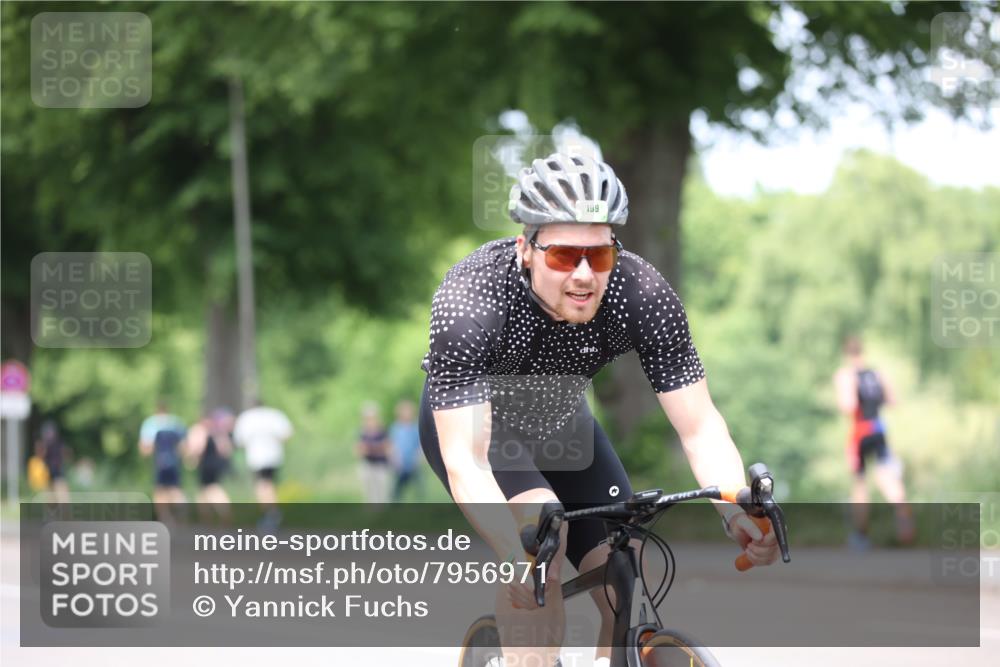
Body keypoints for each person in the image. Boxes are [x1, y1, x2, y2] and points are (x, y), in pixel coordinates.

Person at [419, 151, 780, 666]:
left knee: (626, 565)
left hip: (562, 419)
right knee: (541, 543)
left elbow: (700, 426)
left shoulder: (642, 293)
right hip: (481, 425)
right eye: (565, 256)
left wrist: (733, 510)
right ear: (526, 249)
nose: (585, 275)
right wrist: (513, 552)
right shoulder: (470, 299)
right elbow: (467, 461)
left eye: (601, 255)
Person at [834, 336, 914, 549]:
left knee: (860, 483)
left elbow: (848, 405)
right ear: (863, 352)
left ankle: (860, 536)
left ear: (846, 354)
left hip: (860, 432)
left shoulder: (846, 375)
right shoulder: (877, 374)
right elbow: (893, 401)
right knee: (886, 475)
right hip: (878, 429)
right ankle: (902, 510)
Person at [233, 400, 293, 532]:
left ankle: (270, 514)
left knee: (262, 486)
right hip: (274, 455)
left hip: (257, 457)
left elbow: (239, 441)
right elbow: (287, 434)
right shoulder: (274, 415)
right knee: (269, 484)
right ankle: (272, 512)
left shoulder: (247, 417)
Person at [139, 401, 188, 522]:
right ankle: (182, 514)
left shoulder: (151, 423)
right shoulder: (176, 422)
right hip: (174, 462)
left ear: (157, 411)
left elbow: (146, 448)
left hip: (160, 462)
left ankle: (165, 518)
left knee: (160, 491)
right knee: (175, 489)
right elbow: (183, 445)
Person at [185, 408, 234, 522]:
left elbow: (197, 448)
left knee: (212, 489)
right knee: (203, 491)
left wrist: (190, 458)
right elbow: (225, 450)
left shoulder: (200, 430)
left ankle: (224, 512)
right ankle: (206, 518)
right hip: (215, 464)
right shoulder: (215, 431)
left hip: (206, 464)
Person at [356, 402, 392, 504]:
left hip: (380, 465)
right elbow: (359, 450)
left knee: (382, 492)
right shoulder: (362, 432)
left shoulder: (382, 431)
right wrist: (375, 448)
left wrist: (372, 449)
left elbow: (387, 448)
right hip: (367, 465)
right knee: (369, 492)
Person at [389, 400, 424, 501]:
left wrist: (418, 457)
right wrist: (395, 458)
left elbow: (419, 444)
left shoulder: (415, 428)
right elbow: (392, 444)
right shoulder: (396, 428)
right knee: (398, 486)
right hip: (400, 462)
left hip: (413, 461)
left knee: (418, 485)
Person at [33, 420, 70, 503]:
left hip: (58, 472)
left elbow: (66, 454)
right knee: (51, 497)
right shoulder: (44, 444)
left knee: (61, 495)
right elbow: (40, 457)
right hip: (48, 472)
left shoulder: (58, 443)